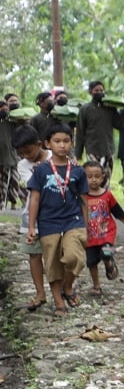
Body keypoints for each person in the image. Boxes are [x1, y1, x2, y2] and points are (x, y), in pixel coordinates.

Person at [26, 123, 90, 317]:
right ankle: (59, 302)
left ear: (72, 143)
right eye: (57, 141)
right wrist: (31, 226)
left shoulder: (78, 170)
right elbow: (35, 198)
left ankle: (68, 286)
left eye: (66, 141)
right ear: (47, 144)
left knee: (74, 257)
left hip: (73, 220)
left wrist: (86, 226)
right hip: (48, 222)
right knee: (52, 263)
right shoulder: (41, 170)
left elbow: (84, 199)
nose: (62, 145)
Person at [82, 160, 124, 295]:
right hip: (90, 235)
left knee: (106, 252)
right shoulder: (82, 196)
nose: (93, 180)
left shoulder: (107, 195)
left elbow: (116, 211)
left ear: (103, 178)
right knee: (91, 262)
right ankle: (96, 286)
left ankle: (109, 263)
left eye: (97, 176)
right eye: (89, 177)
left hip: (107, 232)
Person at [14, 126, 51, 311]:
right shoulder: (22, 165)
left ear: (39, 144)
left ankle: (62, 291)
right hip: (32, 217)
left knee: (57, 255)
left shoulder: (56, 156)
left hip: (55, 215)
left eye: (28, 151)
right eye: (21, 153)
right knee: (34, 254)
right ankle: (39, 293)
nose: (26, 156)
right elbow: (34, 185)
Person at [75, 80, 124, 181]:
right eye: (96, 90)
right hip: (92, 150)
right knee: (94, 177)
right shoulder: (85, 109)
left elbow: (120, 125)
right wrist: (78, 154)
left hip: (108, 149)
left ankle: (104, 195)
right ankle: (94, 196)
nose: (99, 92)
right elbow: (80, 132)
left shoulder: (110, 108)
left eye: (101, 90)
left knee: (106, 177)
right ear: (90, 92)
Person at [0, 94, 21, 208]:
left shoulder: (12, 123)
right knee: (2, 183)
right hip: (2, 158)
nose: (4, 111)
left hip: (13, 157)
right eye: (2, 109)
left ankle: (13, 203)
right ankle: (2, 205)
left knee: (15, 181)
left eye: (6, 109)